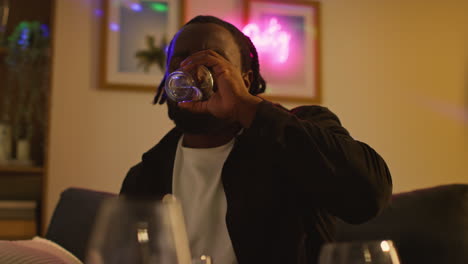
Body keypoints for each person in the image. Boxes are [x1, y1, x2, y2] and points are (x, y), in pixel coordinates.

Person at [120, 15, 392, 264]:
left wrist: (246, 106)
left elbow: (367, 196)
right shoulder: (146, 176)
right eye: (181, 62)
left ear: (245, 81)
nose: (193, 73)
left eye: (213, 63)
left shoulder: (298, 133)